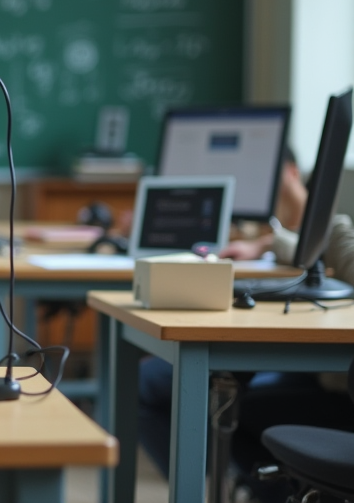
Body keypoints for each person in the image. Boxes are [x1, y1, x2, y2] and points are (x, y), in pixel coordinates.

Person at [137, 148, 354, 498]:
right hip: (315, 369)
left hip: (328, 382)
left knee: (220, 398)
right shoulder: (261, 223)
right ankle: (236, 488)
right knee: (178, 386)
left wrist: (322, 231)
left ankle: (233, 489)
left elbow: (344, 252)